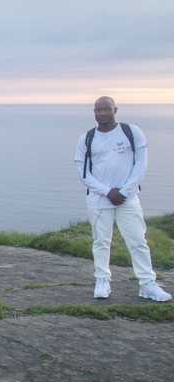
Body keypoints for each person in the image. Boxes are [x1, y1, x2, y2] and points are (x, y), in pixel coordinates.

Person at [75, 96, 171, 302]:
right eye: (98, 110)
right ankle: (102, 280)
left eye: (106, 109)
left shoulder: (131, 132)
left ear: (115, 110)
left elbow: (140, 165)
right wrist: (107, 191)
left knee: (137, 241)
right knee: (101, 242)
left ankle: (147, 284)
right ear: (94, 112)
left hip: (128, 199)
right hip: (99, 200)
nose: (102, 113)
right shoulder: (87, 139)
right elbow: (83, 173)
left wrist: (125, 191)